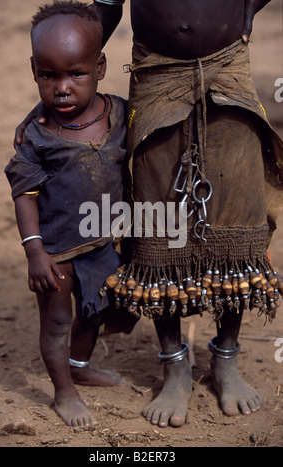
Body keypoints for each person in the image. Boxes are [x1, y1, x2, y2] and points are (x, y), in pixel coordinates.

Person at [15, 0, 283, 429]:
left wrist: (248, 9)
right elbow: (98, 14)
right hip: (156, 75)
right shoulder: (83, 98)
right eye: (49, 76)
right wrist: (51, 106)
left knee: (239, 221)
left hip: (229, 65)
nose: (61, 84)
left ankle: (226, 358)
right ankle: (174, 363)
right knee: (158, 223)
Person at [5, 1, 136, 428]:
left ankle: (80, 364)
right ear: (33, 70)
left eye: (75, 74)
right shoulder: (38, 134)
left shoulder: (119, 115)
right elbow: (24, 193)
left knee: (94, 312)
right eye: (48, 75)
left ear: (99, 67)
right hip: (57, 252)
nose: (62, 88)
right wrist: (35, 252)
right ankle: (64, 392)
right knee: (58, 321)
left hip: (103, 242)